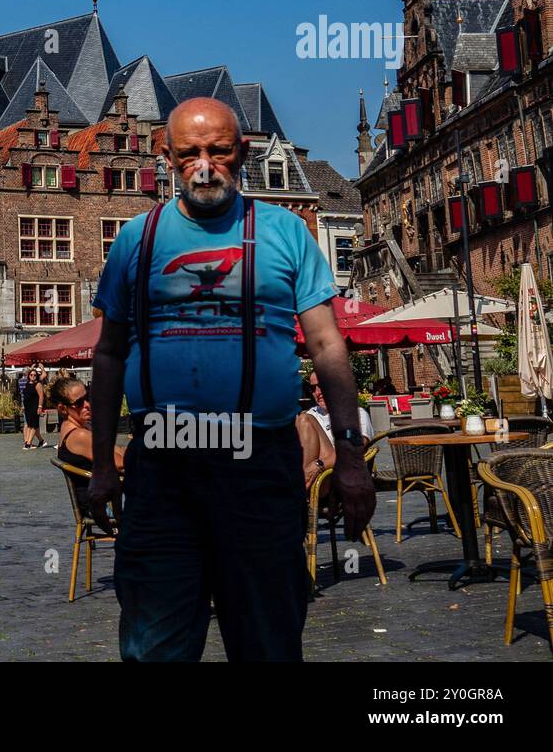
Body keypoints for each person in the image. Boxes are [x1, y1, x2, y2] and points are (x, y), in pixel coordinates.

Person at [88, 97, 375, 662]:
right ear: (164, 157)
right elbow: (108, 356)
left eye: (219, 152)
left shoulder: (285, 232)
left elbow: (325, 345)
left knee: (268, 640)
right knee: (154, 646)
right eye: (190, 153)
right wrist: (102, 464)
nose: (204, 165)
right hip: (163, 465)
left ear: (240, 153)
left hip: (257, 461)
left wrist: (350, 453)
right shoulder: (134, 241)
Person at [22, 368, 46, 451]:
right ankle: (40, 441)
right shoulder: (28, 383)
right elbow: (26, 395)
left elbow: (41, 396)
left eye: (35, 375)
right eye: (31, 375)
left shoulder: (38, 384)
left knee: (33, 425)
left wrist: (40, 407)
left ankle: (28, 443)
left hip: (35, 406)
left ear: (37, 376)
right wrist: (24, 406)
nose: (33, 376)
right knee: (29, 424)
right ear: (29, 375)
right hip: (27, 407)